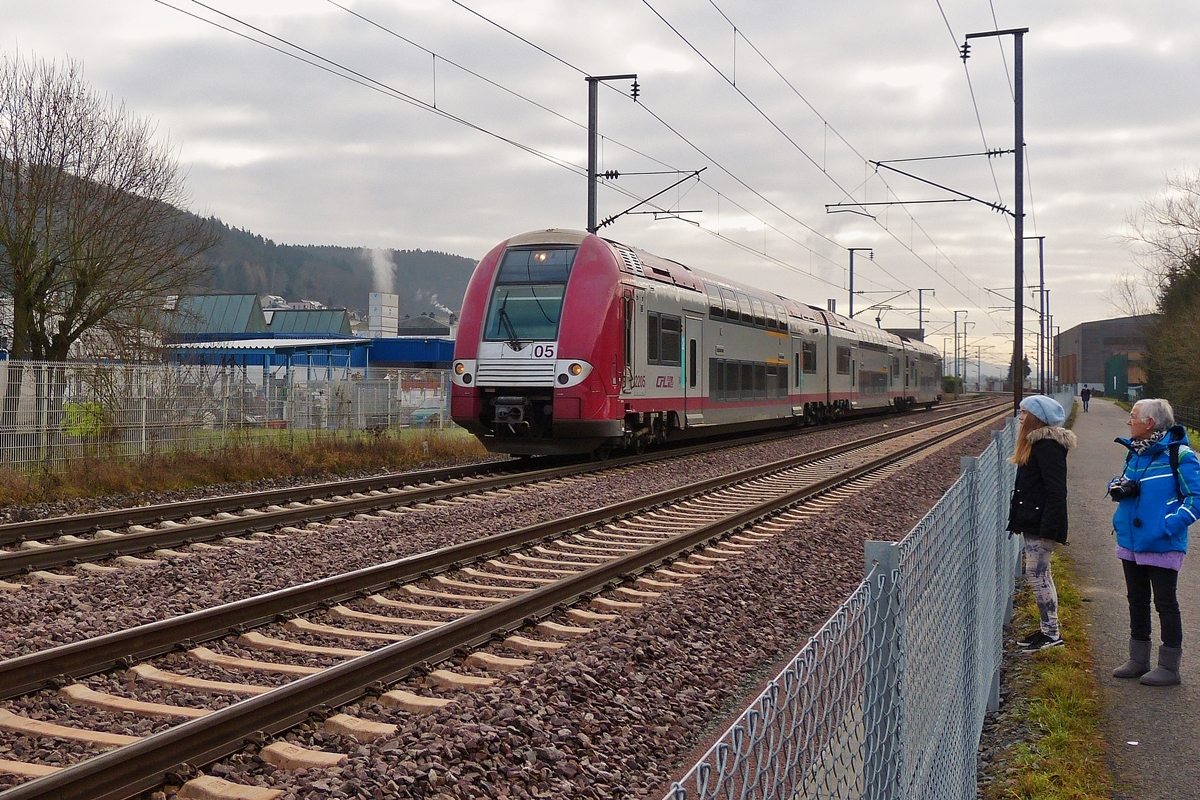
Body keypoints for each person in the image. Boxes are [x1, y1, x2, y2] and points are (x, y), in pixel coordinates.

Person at [1110, 398, 1200, 686]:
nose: (1129, 421)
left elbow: (1195, 499)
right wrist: (1116, 486)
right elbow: (1130, 483)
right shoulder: (1135, 453)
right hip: (1131, 540)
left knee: (1165, 602)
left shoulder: (1181, 456)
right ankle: (1138, 659)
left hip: (1162, 542)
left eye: (1133, 416)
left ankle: (1169, 666)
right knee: (1136, 600)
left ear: (1149, 423)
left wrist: (1168, 525)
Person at [1007, 395, 1077, 653]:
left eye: (1024, 413)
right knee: (1039, 575)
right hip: (1034, 520)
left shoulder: (1047, 446)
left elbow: (1056, 491)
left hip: (1041, 524)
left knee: (1037, 576)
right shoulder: (1037, 444)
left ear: (1035, 417)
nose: (1020, 417)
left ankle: (1052, 634)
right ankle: (1048, 630)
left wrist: (1048, 529)